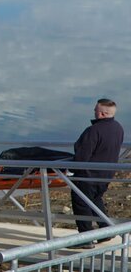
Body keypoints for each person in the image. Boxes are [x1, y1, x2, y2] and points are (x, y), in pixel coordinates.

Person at [70, 98, 124, 247]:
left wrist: (71, 169)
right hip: (106, 175)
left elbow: (82, 156)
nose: (93, 112)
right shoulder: (118, 128)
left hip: (88, 175)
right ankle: (105, 230)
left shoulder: (93, 131)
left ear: (101, 113)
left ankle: (85, 239)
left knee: (81, 203)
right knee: (95, 200)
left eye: (95, 110)